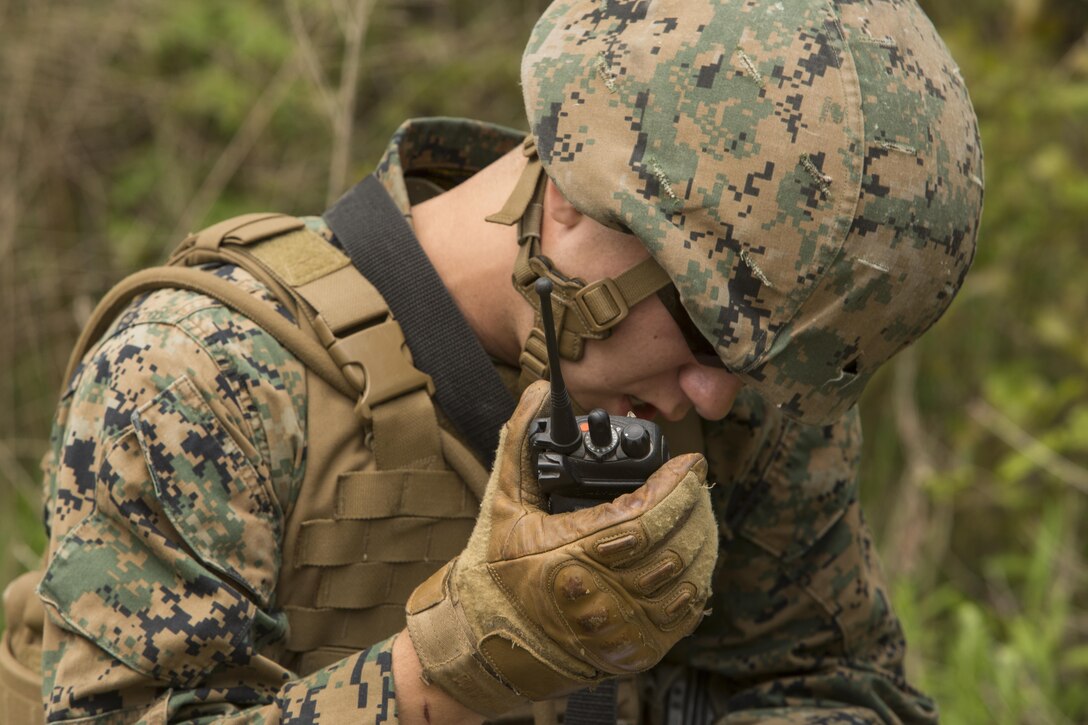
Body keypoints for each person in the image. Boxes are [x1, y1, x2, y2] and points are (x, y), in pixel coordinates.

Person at [0, 0, 984, 722]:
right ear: (567, 203)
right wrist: (458, 662)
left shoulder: (736, 381)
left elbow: (824, 682)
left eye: (775, 357)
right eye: (709, 330)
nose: (718, 391)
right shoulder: (201, 372)